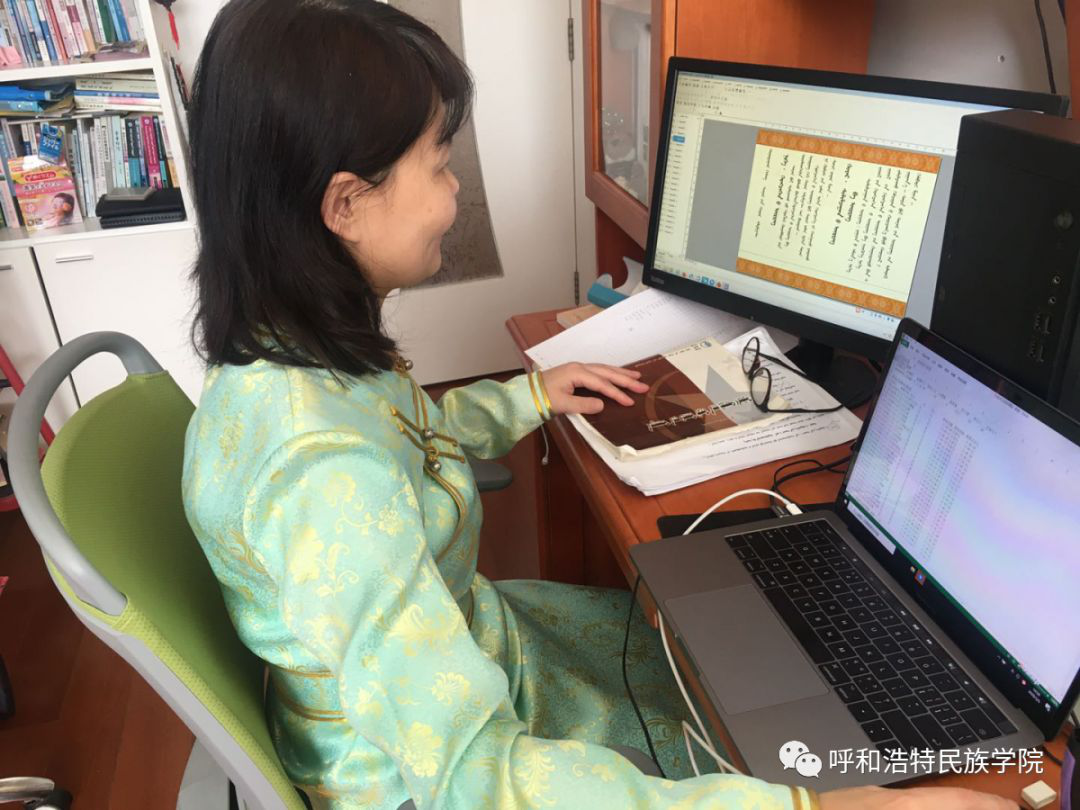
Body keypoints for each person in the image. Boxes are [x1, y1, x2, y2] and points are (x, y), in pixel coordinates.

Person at [181, 1, 1016, 808]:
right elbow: (478, 782)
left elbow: (402, 441)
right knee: (770, 728)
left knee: (724, 657)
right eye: (438, 165)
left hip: (464, 652)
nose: (455, 191)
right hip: (430, 770)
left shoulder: (287, 353)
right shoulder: (323, 478)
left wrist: (528, 395)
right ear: (344, 205)